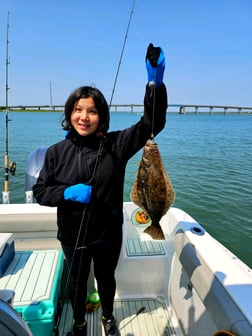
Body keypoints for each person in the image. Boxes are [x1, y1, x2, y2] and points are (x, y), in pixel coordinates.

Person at [32, 43, 167, 336]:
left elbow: (151, 124)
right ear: (69, 114)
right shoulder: (56, 152)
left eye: (92, 111)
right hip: (72, 232)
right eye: (78, 110)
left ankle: (108, 317)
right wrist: (66, 193)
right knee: (77, 282)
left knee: (106, 278)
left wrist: (154, 83)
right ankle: (79, 323)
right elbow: (41, 191)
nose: (84, 117)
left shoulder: (116, 145)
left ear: (101, 116)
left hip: (108, 232)